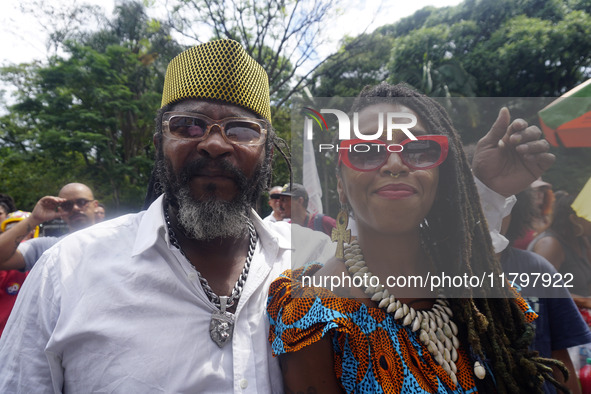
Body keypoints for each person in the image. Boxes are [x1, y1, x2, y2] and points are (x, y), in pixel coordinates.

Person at [0, 39, 336, 392]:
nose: (215, 144)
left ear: (267, 155)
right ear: (160, 143)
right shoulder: (66, 271)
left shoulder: (316, 259)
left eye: (241, 130)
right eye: (189, 125)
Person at [267, 83, 564, 393]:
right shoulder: (312, 310)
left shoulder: (472, 285)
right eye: (366, 151)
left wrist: (490, 190)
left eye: (418, 150)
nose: (395, 165)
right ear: (340, 184)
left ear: (440, 175)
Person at [500, 189, 591, 394]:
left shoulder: (535, 266)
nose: (491, 211)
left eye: (503, 202)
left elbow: (559, 356)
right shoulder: (438, 275)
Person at [0, 183, 97, 272]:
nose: (75, 208)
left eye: (82, 202)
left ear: (95, 205)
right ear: (61, 210)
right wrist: (34, 219)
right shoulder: (47, 247)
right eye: (67, 205)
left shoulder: (111, 237)